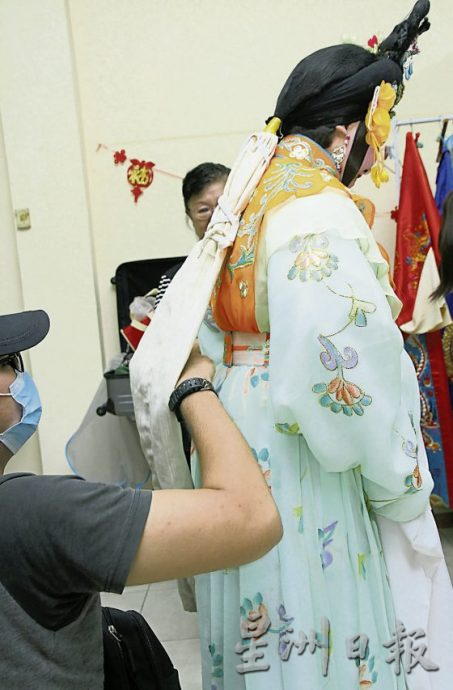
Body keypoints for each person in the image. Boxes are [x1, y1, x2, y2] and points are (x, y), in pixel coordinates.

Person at [182, 3, 453, 689]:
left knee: (260, 615)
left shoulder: (251, 192)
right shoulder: (315, 210)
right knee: (312, 618)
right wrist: (398, 480)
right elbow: (340, 371)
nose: (378, 154)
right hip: (297, 442)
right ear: (346, 129)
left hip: (238, 422)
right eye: (378, 134)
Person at [0, 309, 282, 688]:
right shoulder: (29, 513)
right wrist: (193, 387)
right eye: (8, 363)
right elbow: (252, 518)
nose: (20, 377)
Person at [154, 162, 230, 309]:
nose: (216, 217)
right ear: (190, 216)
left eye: (223, 205)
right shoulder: (173, 280)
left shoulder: (261, 263)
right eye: (203, 210)